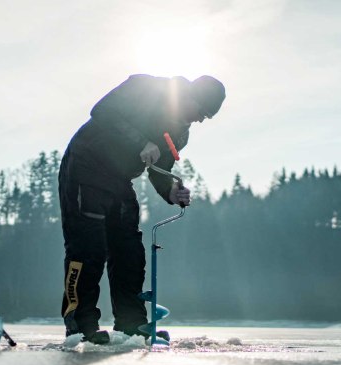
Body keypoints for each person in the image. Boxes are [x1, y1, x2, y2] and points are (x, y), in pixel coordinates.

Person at [58, 74, 225, 343]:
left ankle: (131, 323)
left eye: (207, 117)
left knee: (129, 250)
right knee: (88, 248)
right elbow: (102, 111)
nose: (200, 119)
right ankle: (80, 325)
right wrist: (141, 142)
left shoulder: (180, 132)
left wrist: (171, 191)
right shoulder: (147, 88)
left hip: (119, 179)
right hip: (85, 166)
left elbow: (161, 171)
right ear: (190, 95)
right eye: (201, 111)